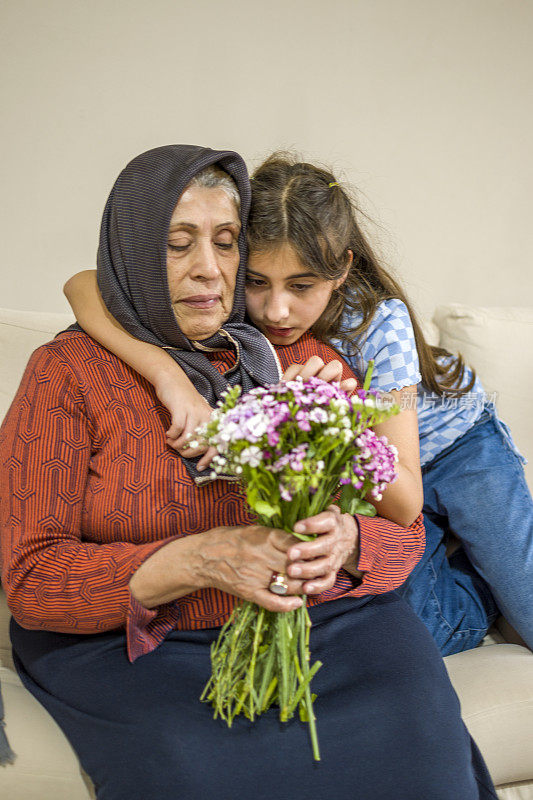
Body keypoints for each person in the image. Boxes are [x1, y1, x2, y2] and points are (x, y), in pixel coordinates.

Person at [1, 144, 498, 799]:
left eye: (226, 242)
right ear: (132, 252)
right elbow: (32, 579)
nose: (208, 269)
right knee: (194, 768)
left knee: (420, 738)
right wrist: (198, 560)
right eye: (177, 244)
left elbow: (403, 532)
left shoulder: (295, 358)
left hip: (327, 625)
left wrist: (350, 541)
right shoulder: (67, 371)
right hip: (138, 643)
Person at [65, 153, 533, 658]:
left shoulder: (380, 325)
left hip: (456, 448)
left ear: (342, 270)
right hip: (371, 477)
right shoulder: (226, 292)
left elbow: (403, 503)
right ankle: (454, 559)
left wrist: (334, 411)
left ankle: (484, 588)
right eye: (258, 281)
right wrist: (168, 378)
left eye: (302, 286)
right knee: (397, 626)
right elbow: (83, 285)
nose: (276, 310)